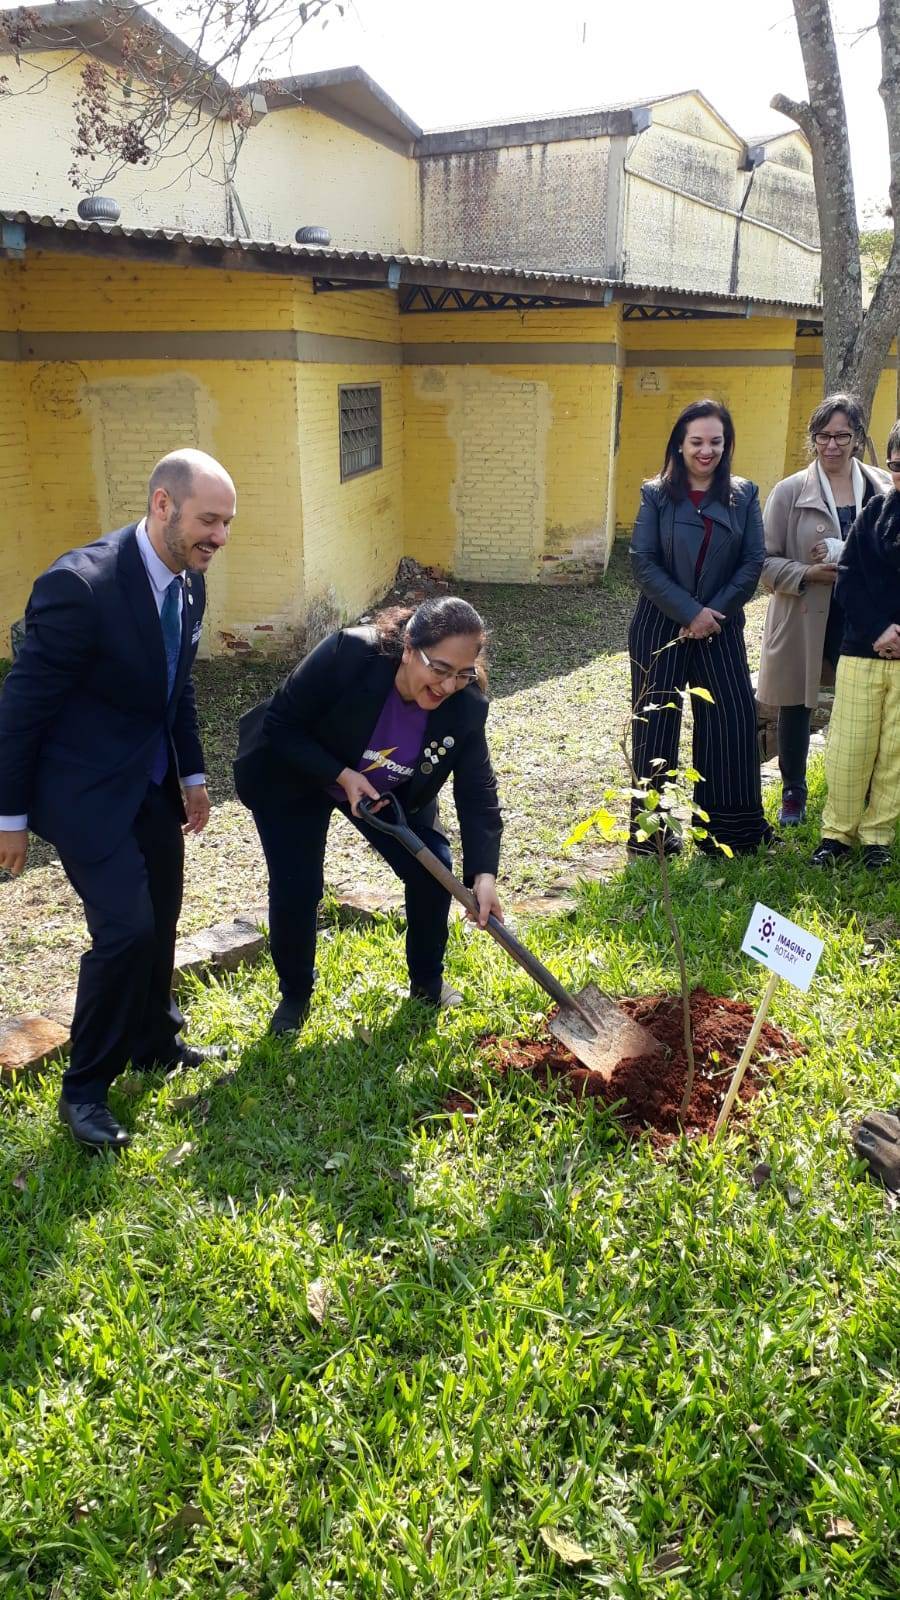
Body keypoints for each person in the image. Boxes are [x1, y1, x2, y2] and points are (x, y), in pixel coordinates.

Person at [0, 450, 235, 1151]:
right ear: (162, 504)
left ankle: (154, 1041)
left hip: (151, 782)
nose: (219, 537)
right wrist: (9, 818)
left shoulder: (189, 584)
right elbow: (22, 708)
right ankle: (85, 1090)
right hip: (83, 793)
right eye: (207, 520)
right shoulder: (81, 586)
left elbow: (177, 686)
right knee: (126, 931)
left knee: (161, 916)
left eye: (227, 523)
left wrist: (191, 775)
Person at [233, 597, 503, 1034]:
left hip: (383, 791)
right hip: (297, 771)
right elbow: (281, 723)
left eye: (463, 673)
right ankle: (295, 995)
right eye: (440, 669)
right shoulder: (349, 655)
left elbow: (477, 789)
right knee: (298, 886)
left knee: (432, 870)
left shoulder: (465, 706)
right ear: (410, 647)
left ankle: (427, 982)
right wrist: (340, 775)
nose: (449, 685)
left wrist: (484, 874)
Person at [628, 398, 771, 856]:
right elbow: (643, 562)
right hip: (660, 623)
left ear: (726, 445)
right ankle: (653, 832)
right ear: (680, 444)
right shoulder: (655, 493)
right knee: (656, 726)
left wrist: (712, 614)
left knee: (731, 720)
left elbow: (752, 562)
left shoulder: (744, 494)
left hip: (722, 625)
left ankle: (730, 831)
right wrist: (689, 612)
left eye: (715, 441)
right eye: (697, 442)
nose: (706, 451)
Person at [757, 394, 890, 825]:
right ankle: (793, 789)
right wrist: (807, 573)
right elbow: (762, 560)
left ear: (857, 438)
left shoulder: (881, 487)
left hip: (864, 613)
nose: (832, 445)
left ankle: (864, 788)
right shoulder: (791, 491)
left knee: (864, 700)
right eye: (823, 436)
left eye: (842, 436)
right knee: (798, 701)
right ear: (813, 439)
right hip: (805, 612)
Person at [810, 422, 900, 869]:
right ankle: (836, 836)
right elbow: (848, 579)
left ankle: (877, 838)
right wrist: (880, 628)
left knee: (894, 754)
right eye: (898, 465)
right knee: (850, 747)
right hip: (862, 649)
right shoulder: (875, 512)